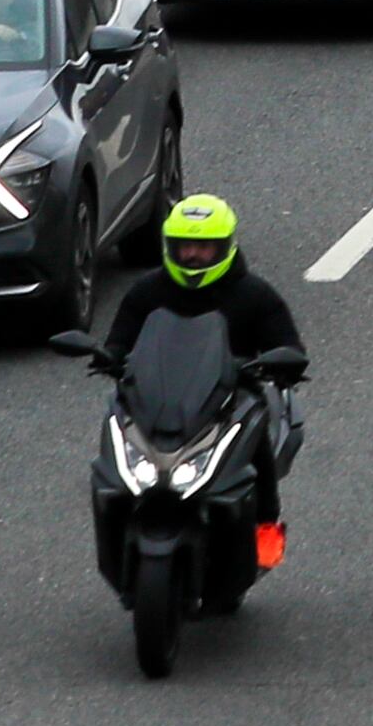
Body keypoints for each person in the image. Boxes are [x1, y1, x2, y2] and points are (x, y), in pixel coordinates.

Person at [100, 195, 306, 511]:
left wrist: (280, 364)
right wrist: (109, 357)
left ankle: (266, 528)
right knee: (112, 434)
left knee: (257, 440)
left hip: (231, 403)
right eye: (185, 246)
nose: (193, 255)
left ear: (225, 246)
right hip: (158, 401)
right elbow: (119, 340)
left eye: (203, 247)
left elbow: (289, 346)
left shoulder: (255, 295)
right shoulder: (147, 291)